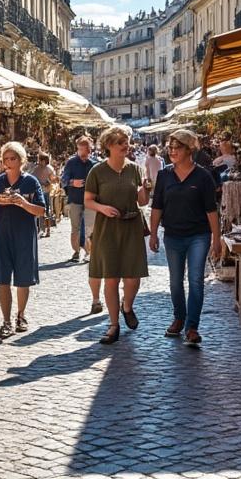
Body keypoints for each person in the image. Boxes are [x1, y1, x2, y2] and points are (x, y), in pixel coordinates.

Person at [148, 129, 222, 346]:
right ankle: (179, 317)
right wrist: (153, 234)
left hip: (199, 235)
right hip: (172, 235)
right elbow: (157, 206)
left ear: (189, 150)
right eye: (170, 148)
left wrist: (216, 239)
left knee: (196, 280)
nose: (172, 151)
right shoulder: (164, 175)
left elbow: (211, 210)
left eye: (176, 147)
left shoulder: (203, 177)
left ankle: (192, 326)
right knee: (175, 282)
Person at [84, 124, 149, 344]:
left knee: (133, 277)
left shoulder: (134, 169)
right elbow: (88, 200)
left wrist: (145, 189)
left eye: (127, 141)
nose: (126, 145)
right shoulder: (97, 171)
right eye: (120, 142)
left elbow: (143, 202)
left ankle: (127, 305)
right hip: (107, 228)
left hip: (131, 226)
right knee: (111, 279)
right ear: (109, 145)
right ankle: (113, 325)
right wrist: (103, 208)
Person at [0, 142, 47, 338]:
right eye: (5, 159)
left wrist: (22, 203)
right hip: (1, 233)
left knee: (23, 278)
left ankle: (21, 315)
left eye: (12, 158)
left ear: (21, 160)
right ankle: (6, 321)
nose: (8, 162)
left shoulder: (30, 182)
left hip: (24, 234)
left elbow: (41, 210)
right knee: (3, 278)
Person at [60, 136, 102, 307]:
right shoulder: (71, 163)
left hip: (91, 201)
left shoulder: (95, 163)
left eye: (88, 147)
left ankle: (89, 253)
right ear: (78, 148)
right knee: (75, 228)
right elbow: (63, 179)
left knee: (91, 229)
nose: (86, 150)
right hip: (76, 200)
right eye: (83, 147)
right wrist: (72, 182)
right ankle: (76, 252)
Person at [32, 153, 58, 238]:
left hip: (46, 192)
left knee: (46, 211)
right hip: (38, 192)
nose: (39, 161)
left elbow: (54, 180)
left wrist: (49, 183)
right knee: (37, 210)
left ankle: (48, 230)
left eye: (40, 160)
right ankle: (39, 229)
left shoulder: (49, 169)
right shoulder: (36, 169)